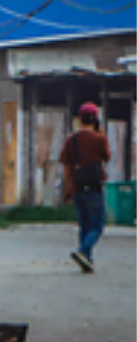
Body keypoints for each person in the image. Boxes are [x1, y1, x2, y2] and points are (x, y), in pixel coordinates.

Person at [59, 102, 111, 273]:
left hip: (77, 187)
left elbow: (67, 167)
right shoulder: (99, 139)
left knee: (85, 225)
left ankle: (86, 260)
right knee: (97, 225)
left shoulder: (71, 140)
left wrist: (66, 189)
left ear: (80, 119)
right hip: (94, 187)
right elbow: (107, 157)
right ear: (96, 119)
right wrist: (101, 134)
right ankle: (83, 251)